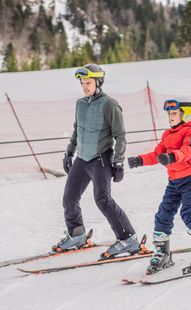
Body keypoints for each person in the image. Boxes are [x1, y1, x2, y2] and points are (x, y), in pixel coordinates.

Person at [52, 63, 141, 259]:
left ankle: (128, 238)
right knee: (69, 198)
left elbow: (120, 136)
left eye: (89, 82)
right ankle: (77, 235)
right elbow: (77, 131)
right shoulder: (80, 104)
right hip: (82, 159)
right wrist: (69, 153)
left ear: (98, 82)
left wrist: (118, 162)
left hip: (101, 159)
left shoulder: (110, 105)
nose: (85, 86)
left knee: (102, 199)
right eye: (83, 83)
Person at [127, 99, 191, 274]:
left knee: (189, 213)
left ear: (186, 115)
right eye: (169, 114)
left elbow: (189, 150)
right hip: (174, 182)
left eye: (174, 114)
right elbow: (157, 154)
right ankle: (163, 254)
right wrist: (139, 160)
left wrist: (172, 157)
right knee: (163, 215)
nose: (170, 117)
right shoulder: (168, 134)